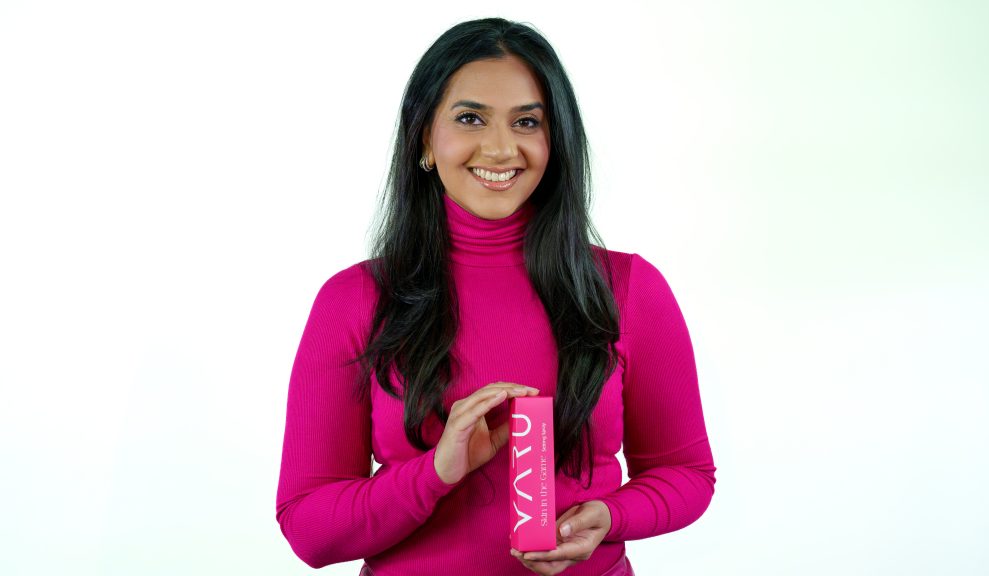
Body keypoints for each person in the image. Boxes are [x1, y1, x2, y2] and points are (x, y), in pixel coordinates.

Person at [274, 17, 717, 576]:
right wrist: (435, 473)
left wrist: (611, 516)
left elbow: (687, 474)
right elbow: (309, 530)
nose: (502, 147)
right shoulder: (354, 301)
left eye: (527, 121)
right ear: (424, 137)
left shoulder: (628, 289)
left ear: (555, 141)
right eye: (470, 118)